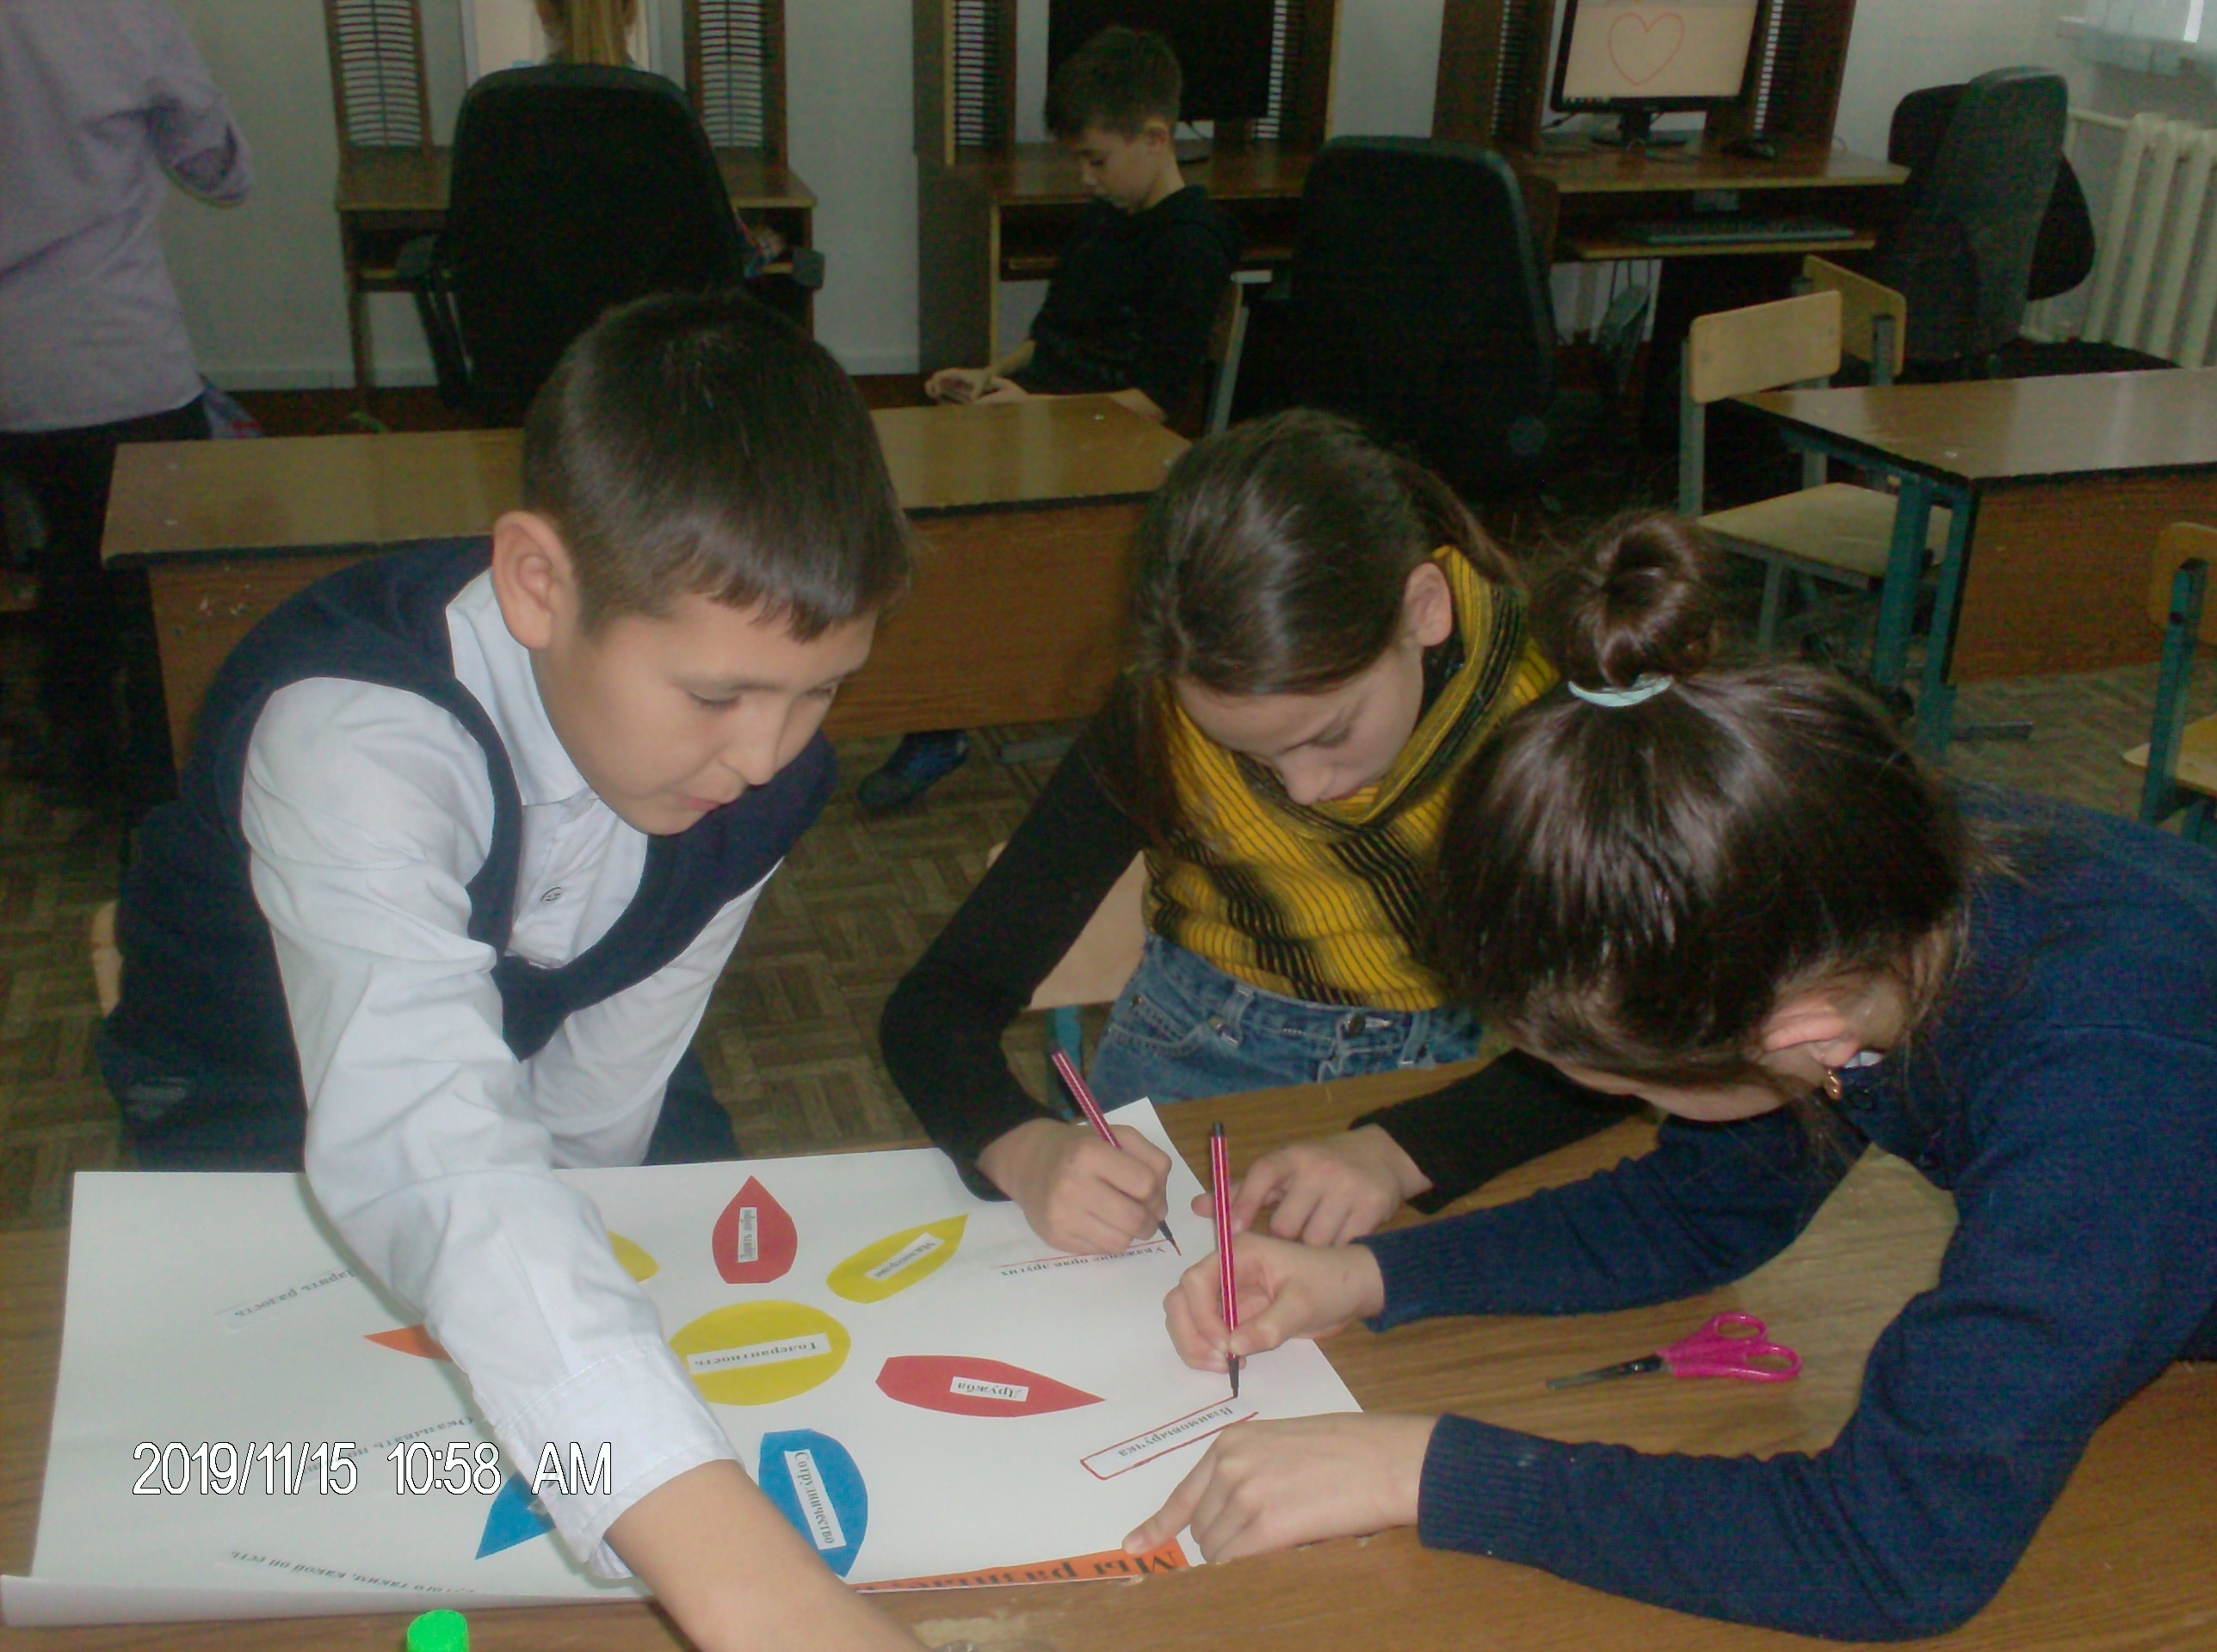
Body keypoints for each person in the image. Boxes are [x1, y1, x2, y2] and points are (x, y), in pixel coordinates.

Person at [1127, 512, 2217, 1641]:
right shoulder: (1826, 884)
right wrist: (1363, 1276)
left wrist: (1428, 1470)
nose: (1638, 1112)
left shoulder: (2104, 1106)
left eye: (1639, 1090)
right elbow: (1703, 1207)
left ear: (1800, 1036)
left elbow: (1888, 1551)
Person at [99, 294, 923, 1652]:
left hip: (538, 1054)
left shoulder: (760, 775)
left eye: (822, 689)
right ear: (540, 585)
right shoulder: (354, 735)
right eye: (717, 695)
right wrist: (751, 1590)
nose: (766, 757)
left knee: (666, 1351)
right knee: (302, 1496)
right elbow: (426, 1142)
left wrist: (579, 1319)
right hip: (260, 1085)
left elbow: (613, 1074)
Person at [882, 410, 1632, 1257]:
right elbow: (935, 1005)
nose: (1304, 788)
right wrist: (1025, 1150)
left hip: (1477, 1094)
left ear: (1422, 611)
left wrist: (1401, 1152)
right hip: (1200, 1077)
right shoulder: (1161, 723)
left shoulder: (1553, 708)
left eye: (1329, 733)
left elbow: (1645, 1041)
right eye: (1249, 754)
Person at [860, 24, 1242, 814]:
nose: (1086, 177)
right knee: (923, 507)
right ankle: (935, 702)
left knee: (968, 536)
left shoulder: (1192, 242)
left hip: (1120, 439)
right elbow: (1054, 334)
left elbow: (1158, 401)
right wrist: (994, 376)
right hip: (1050, 416)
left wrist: (1036, 412)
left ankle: (943, 716)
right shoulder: (1108, 214)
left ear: (1155, 139)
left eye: (1096, 159)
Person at [0, 0, 251, 814]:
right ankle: (161, 780)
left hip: (13, 375)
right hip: (114, 359)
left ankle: (75, 742)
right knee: (157, 590)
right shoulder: (120, 11)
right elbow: (218, 168)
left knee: (68, 553)